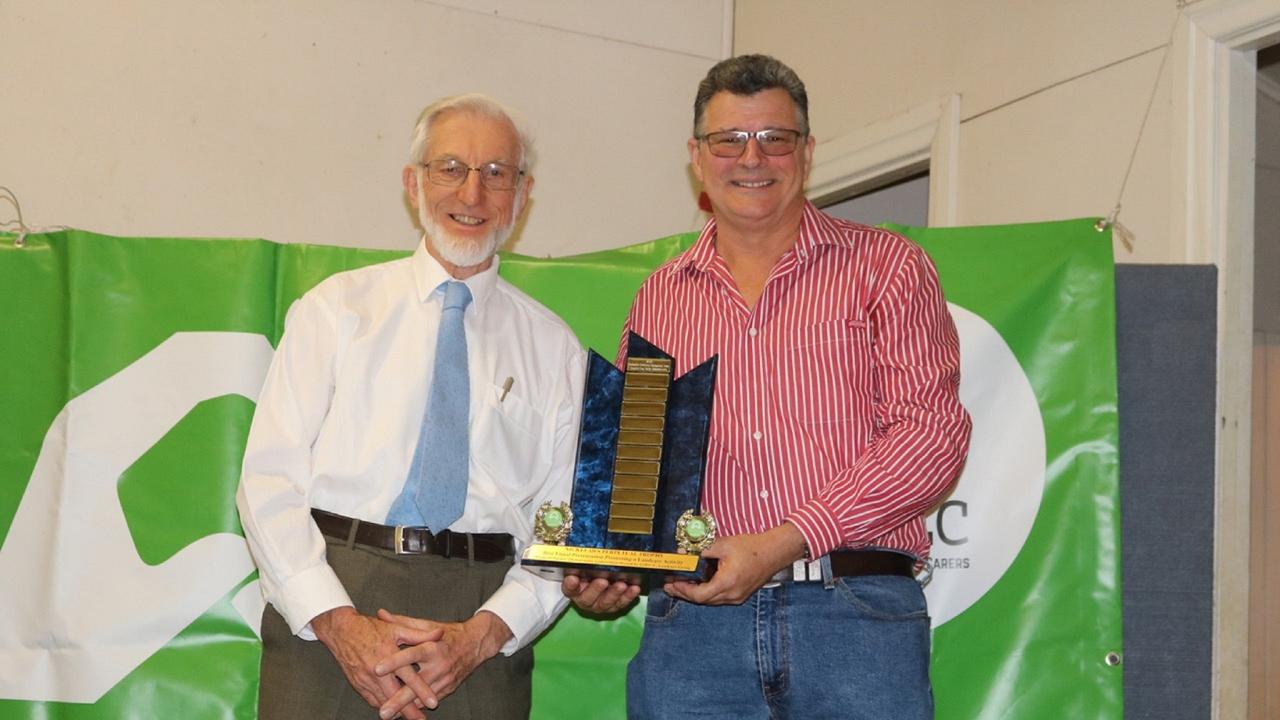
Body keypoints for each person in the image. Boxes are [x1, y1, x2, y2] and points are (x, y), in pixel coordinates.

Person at [563, 55, 973, 719]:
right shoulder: (659, 299)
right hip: (693, 630)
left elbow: (931, 437)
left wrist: (785, 539)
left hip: (855, 619)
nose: (752, 158)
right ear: (697, 157)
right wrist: (610, 565)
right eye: (729, 140)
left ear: (806, 153)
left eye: (774, 138)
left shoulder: (888, 268)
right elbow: (637, 465)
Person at [236, 93, 583, 720]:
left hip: (481, 622)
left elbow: (561, 527)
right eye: (450, 168)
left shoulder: (554, 348)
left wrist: (483, 634)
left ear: (522, 195)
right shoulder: (336, 310)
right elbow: (268, 483)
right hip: (332, 602)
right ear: (412, 182)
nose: (471, 194)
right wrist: (339, 623)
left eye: (496, 173)